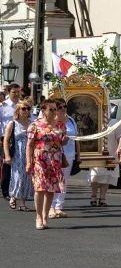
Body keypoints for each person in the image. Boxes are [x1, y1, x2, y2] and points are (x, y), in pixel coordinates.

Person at [25, 98, 67, 230]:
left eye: (56, 109)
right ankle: (38, 216)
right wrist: (28, 162)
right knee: (39, 188)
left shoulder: (60, 125)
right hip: (40, 159)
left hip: (54, 160)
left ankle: (45, 217)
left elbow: (62, 142)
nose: (54, 112)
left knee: (51, 190)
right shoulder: (35, 125)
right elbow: (29, 145)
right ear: (43, 110)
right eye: (51, 109)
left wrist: (64, 140)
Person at [4, 101, 34, 211]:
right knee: (18, 176)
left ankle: (22, 203)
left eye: (28, 108)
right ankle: (13, 196)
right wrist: (7, 155)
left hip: (29, 152)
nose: (26, 111)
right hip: (17, 153)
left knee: (27, 177)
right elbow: (6, 140)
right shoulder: (13, 123)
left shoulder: (32, 123)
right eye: (23, 109)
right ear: (18, 110)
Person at [51, 101, 77, 217]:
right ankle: (50, 206)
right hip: (54, 154)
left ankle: (59, 206)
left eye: (64, 106)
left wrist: (78, 154)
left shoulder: (71, 120)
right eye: (59, 107)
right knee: (54, 180)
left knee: (64, 181)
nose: (62, 109)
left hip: (69, 154)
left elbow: (76, 137)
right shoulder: (51, 121)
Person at [0, 84, 22, 199]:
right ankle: (6, 190)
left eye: (18, 91)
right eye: (14, 92)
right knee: (7, 163)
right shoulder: (3, 106)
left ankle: (18, 189)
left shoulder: (22, 105)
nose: (17, 94)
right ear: (8, 92)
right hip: (6, 138)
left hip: (20, 137)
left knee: (20, 164)